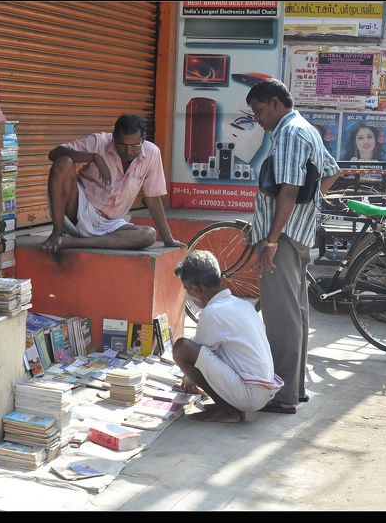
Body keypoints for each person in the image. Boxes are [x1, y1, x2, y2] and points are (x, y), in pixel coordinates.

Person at [245, 78, 341, 413]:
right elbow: (331, 171)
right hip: (299, 233)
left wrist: (271, 239)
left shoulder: (288, 132)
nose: (257, 118)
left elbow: (287, 190)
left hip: (282, 237)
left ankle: (283, 396)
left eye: (258, 111)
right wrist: (309, 206)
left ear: (275, 103)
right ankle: (293, 390)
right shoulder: (306, 128)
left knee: (280, 316)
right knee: (297, 313)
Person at [40, 114, 186, 252]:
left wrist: (168, 239)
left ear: (143, 139)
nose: (129, 151)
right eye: (123, 145)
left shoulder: (152, 153)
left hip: (112, 224)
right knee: (63, 161)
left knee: (148, 235)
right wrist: (94, 157)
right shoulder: (99, 142)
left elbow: (153, 198)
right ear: (114, 138)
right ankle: (57, 233)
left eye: (135, 146)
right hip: (79, 212)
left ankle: (73, 242)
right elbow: (54, 154)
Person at [172, 250, 283, 423]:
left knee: (182, 348)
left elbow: (197, 358)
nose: (190, 296)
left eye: (188, 290)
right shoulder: (242, 304)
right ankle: (227, 405)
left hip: (249, 395)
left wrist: (188, 378)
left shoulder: (213, 313)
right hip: (262, 391)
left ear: (197, 289)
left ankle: (226, 410)